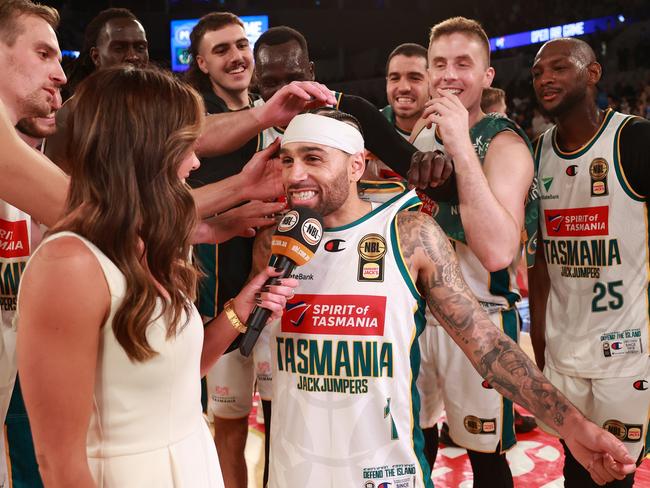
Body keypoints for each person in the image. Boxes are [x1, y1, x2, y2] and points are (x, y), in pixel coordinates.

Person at [252, 109, 635, 487]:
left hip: (386, 473)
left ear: (356, 166)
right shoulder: (276, 239)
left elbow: (487, 346)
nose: (295, 174)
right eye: (288, 160)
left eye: (313, 158)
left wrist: (574, 427)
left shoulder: (410, 233)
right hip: (295, 469)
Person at [15, 66, 297, 488]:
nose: (195, 161)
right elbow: (59, 463)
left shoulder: (152, 247)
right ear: (144, 151)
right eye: (186, 145)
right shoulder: (69, 265)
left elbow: (179, 378)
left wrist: (241, 310)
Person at [405, 17, 539, 486]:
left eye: (464, 63)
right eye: (439, 63)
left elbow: (499, 250)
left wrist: (461, 145)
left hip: (479, 320)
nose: (449, 74)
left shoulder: (503, 141)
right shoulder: (418, 137)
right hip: (417, 317)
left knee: (485, 456)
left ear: (487, 76)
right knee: (413, 446)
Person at [528, 37, 650, 487]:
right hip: (563, 354)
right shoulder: (536, 153)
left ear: (593, 73)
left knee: (615, 476)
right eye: (538, 73)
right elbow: (537, 260)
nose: (545, 79)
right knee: (575, 471)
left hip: (627, 352)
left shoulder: (633, 138)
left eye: (558, 68)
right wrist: (539, 346)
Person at [0, 93, 61, 488]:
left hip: (54, 349)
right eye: (42, 56)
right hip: (11, 352)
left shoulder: (69, 169)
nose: (55, 87)